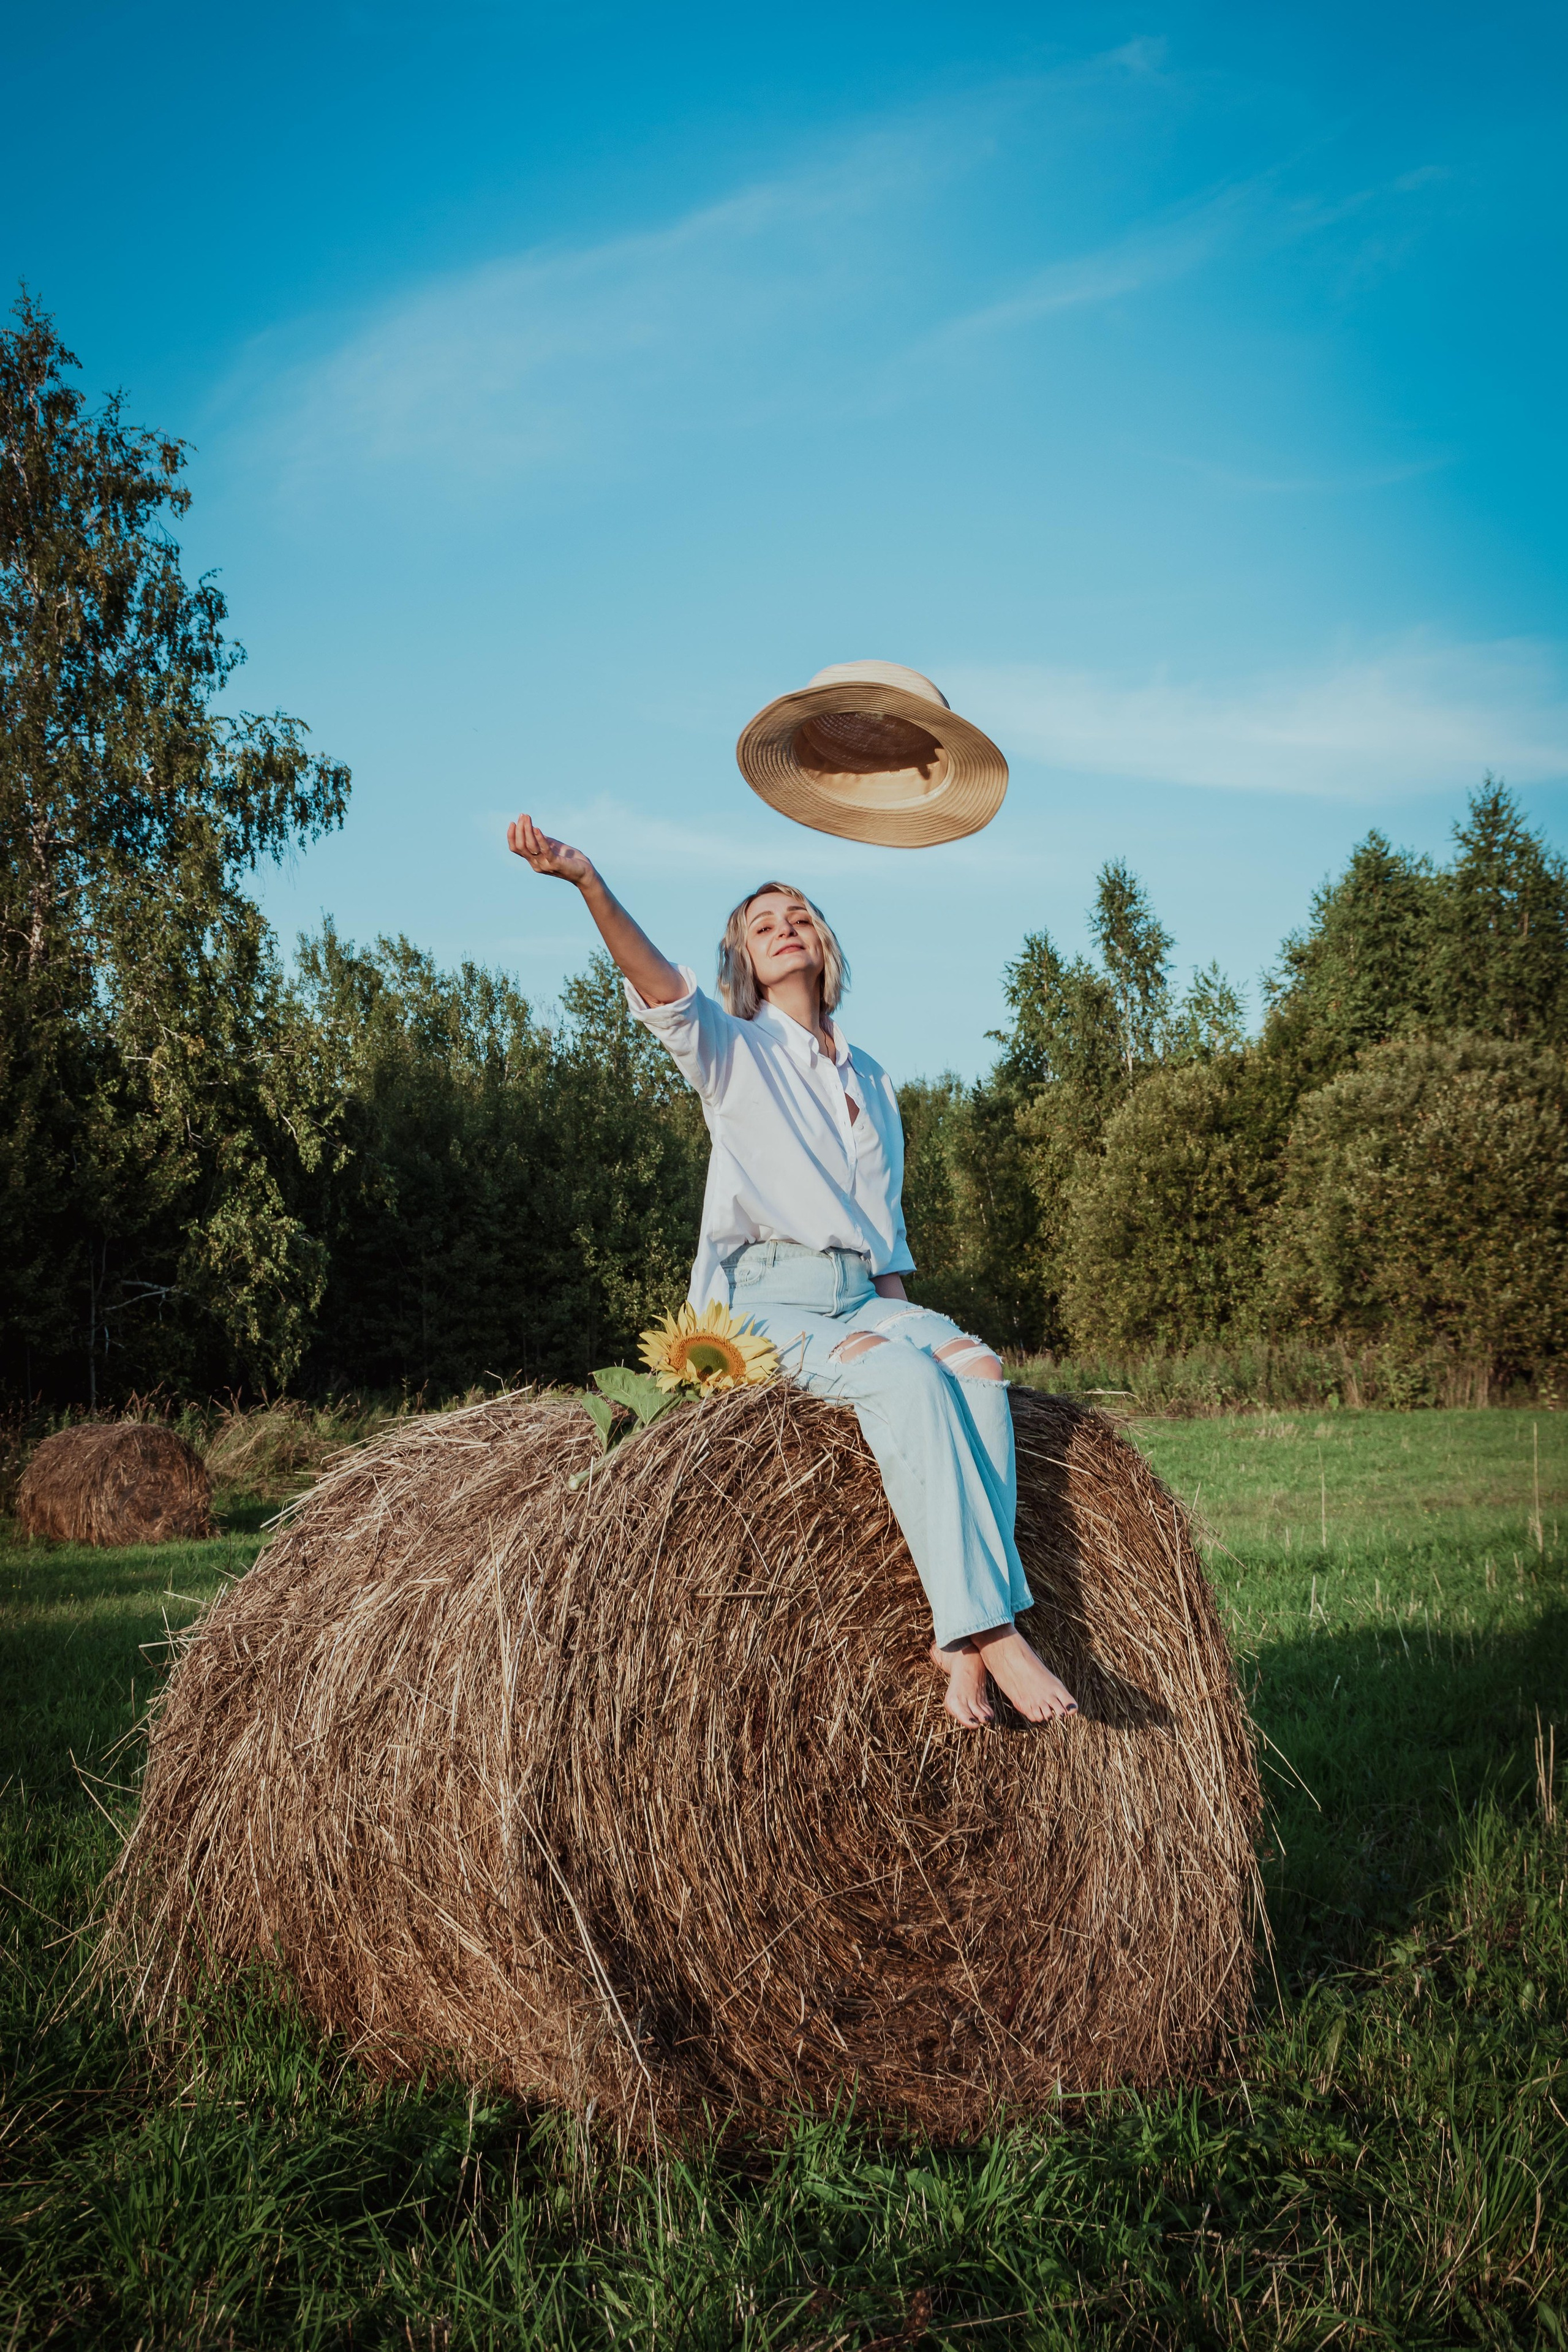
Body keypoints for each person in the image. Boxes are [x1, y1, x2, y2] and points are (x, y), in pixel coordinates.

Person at [508, 813, 1077, 1733]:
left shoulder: (875, 1078)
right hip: (765, 1302)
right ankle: (990, 1628)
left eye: (799, 913)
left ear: (823, 942)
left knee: (974, 1370)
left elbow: (883, 1234)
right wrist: (587, 882)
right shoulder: (733, 1049)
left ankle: (959, 1635)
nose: (783, 924)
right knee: (899, 1379)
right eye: (761, 919)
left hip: (859, 1289)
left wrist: (919, 1324)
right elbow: (656, 985)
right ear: (743, 956)